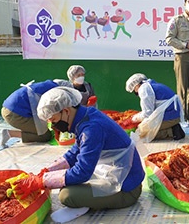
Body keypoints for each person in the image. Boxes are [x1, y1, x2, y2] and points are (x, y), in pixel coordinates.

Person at [12, 87, 145, 213]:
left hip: (126, 189)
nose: (53, 126)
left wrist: (41, 181)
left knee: (67, 195)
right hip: (114, 172)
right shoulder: (85, 117)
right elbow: (74, 153)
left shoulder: (91, 128)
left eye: (53, 120)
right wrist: (47, 171)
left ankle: (91, 203)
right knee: (64, 182)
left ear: (66, 111)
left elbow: (82, 172)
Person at [0, 79, 72, 147]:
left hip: (9, 109)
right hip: (14, 114)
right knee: (45, 136)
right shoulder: (55, 92)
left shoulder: (49, 85)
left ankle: (29, 129)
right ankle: (9, 134)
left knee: (44, 127)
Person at [125, 73, 185, 141]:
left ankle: (171, 131)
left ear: (136, 86)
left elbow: (147, 114)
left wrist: (134, 118)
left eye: (134, 91)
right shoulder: (151, 84)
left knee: (142, 131)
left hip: (170, 117)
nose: (136, 93)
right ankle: (172, 127)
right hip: (176, 115)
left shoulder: (144, 90)